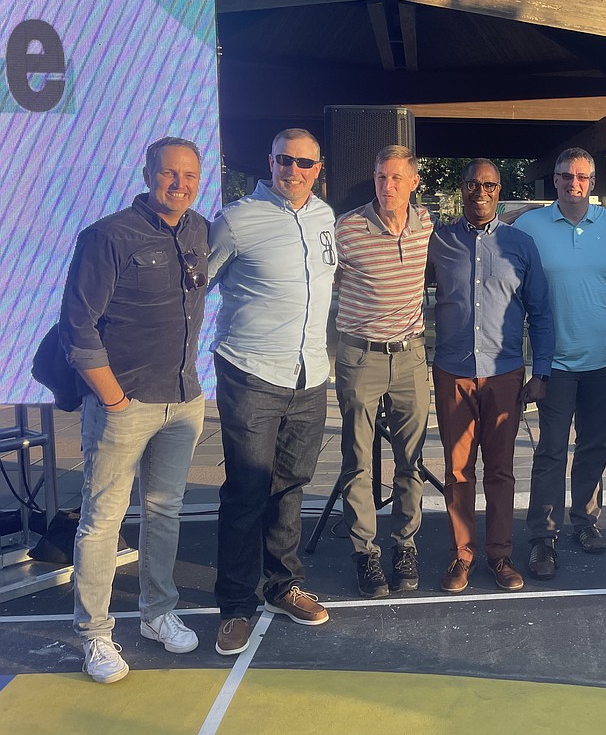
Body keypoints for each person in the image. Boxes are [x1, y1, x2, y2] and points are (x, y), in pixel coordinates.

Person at [61, 137, 209, 683]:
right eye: (170, 174)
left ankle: (156, 613)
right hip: (124, 404)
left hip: (184, 400)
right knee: (103, 522)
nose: (180, 184)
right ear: (148, 173)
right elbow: (78, 329)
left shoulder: (197, 230)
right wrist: (114, 399)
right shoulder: (108, 236)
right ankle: (95, 635)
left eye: (190, 176)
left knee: (164, 513)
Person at [208, 128, 336, 655]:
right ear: (270, 161)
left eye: (304, 163)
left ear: (317, 168)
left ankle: (282, 585)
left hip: (310, 377)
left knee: (289, 486)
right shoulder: (236, 220)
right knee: (245, 492)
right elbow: (196, 291)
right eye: (285, 160)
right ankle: (235, 605)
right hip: (251, 374)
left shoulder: (325, 217)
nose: (294, 170)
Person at [427, 158, 554, 593]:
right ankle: (461, 557)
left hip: (504, 375)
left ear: (499, 191)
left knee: (500, 471)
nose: (479, 192)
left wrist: (542, 372)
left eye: (488, 185)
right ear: (461, 190)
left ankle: (500, 556)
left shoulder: (521, 244)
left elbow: (540, 312)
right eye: (471, 185)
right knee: (457, 471)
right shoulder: (438, 240)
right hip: (453, 373)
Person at [512, 148, 606, 580]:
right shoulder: (531, 225)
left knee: (594, 447)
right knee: (550, 451)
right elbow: (496, 229)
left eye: (581, 176)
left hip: (605, 358)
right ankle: (543, 538)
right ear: (555, 180)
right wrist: (520, 209)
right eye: (564, 176)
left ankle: (585, 522)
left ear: (593, 181)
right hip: (555, 363)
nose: (573, 183)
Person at [334, 145, 433, 597]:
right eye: (379, 177)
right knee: (357, 461)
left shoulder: (427, 224)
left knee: (410, 460)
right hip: (360, 356)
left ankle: (404, 545)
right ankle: (365, 554)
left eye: (396, 178)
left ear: (413, 181)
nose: (386, 187)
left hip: (411, 356)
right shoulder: (347, 228)